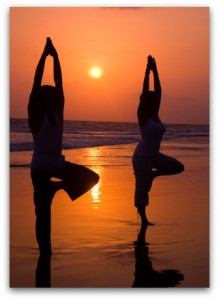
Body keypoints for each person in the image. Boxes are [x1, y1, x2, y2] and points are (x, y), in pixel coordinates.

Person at [28, 38, 99, 255]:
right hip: (40, 169)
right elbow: (35, 83)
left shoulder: (59, 113)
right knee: (43, 214)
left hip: (58, 165)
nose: (53, 97)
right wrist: (43, 57)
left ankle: (56, 188)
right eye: (47, 96)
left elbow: (60, 84)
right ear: (41, 100)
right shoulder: (36, 115)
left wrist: (56, 57)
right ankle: (45, 252)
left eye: (53, 96)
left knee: (93, 178)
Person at [132, 55, 184, 225]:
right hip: (142, 157)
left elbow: (159, 91)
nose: (156, 100)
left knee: (178, 167)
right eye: (152, 99)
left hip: (154, 155)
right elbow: (145, 93)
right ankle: (144, 220)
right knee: (142, 190)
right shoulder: (143, 115)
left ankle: (154, 175)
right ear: (147, 101)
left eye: (156, 100)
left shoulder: (155, 113)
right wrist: (146, 73)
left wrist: (155, 69)